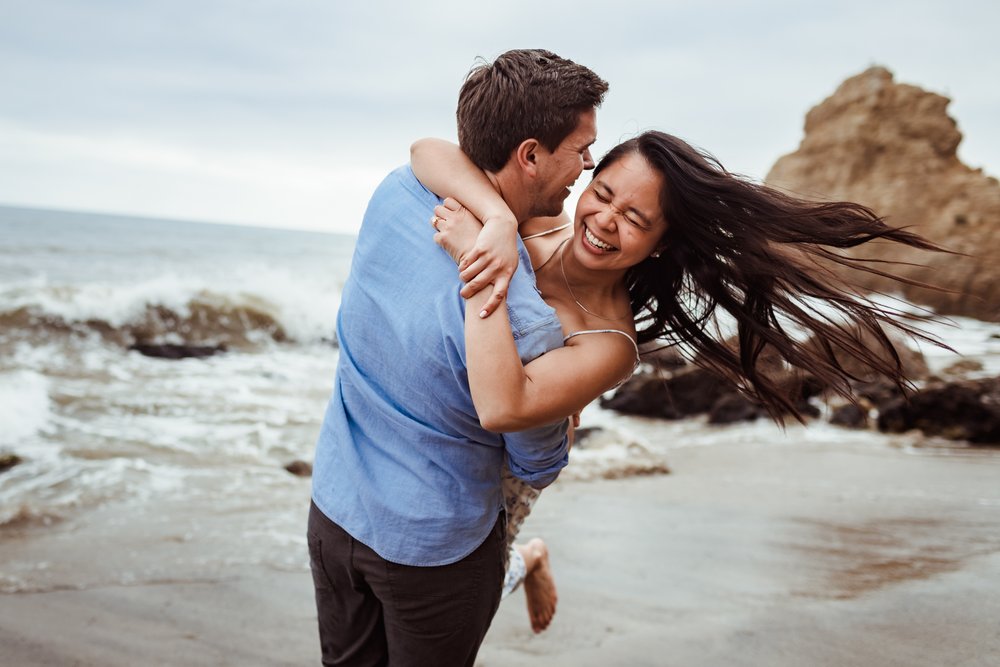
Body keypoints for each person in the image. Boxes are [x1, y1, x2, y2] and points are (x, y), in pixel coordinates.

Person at [411, 130, 945, 627]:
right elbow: (426, 151)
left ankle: (528, 560)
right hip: (448, 435)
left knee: (475, 581)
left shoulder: (610, 341)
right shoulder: (533, 222)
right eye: (602, 194)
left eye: (636, 220)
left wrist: (473, 259)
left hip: (515, 462)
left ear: (661, 243)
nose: (603, 221)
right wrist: (497, 222)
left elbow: (510, 407)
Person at [307, 49, 608, 667]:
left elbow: (426, 151)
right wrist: (567, 402)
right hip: (430, 551)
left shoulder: (398, 191)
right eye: (581, 149)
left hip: (333, 506)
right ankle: (525, 560)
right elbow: (538, 462)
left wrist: (496, 214)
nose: (588, 163)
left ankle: (524, 561)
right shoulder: (520, 312)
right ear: (530, 155)